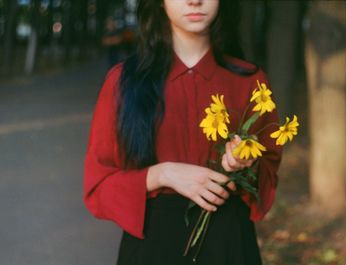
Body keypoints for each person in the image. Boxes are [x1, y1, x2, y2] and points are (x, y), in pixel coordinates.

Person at [83, 0, 282, 264]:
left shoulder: (249, 81)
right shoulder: (124, 82)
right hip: (152, 246)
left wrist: (245, 164)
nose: (194, 1)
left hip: (228, 243)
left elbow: (267, 176)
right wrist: (162, 174)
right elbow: (99, 186)